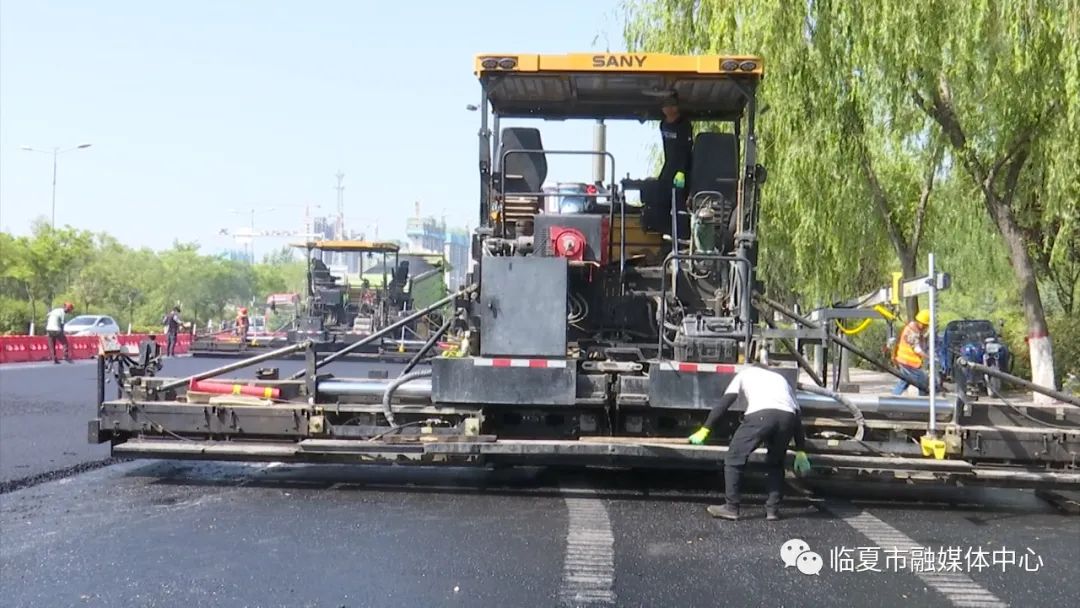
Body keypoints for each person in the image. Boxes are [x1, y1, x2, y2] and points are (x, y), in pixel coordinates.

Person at [686, 349, 811, 521]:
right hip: (787, 417)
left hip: (760, 415)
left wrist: (705, 429)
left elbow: (724, 404)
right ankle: (772, 510)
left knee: (734, 458)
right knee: (776, 463)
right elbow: (797, 416)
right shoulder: (780, 379)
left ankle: (731, 507)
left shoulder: (745, 374)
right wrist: (801, 450)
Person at [893, 310, 931, 396]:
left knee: (904, 381)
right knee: (923, 380)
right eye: (925, 325)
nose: (926, 327)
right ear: (920, 322)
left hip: (904, 360)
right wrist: (928, 357)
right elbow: (916, 349)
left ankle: (893, 399)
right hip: (908, 362)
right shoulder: (912, 331)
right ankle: (924, 402)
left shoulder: (914, 328)